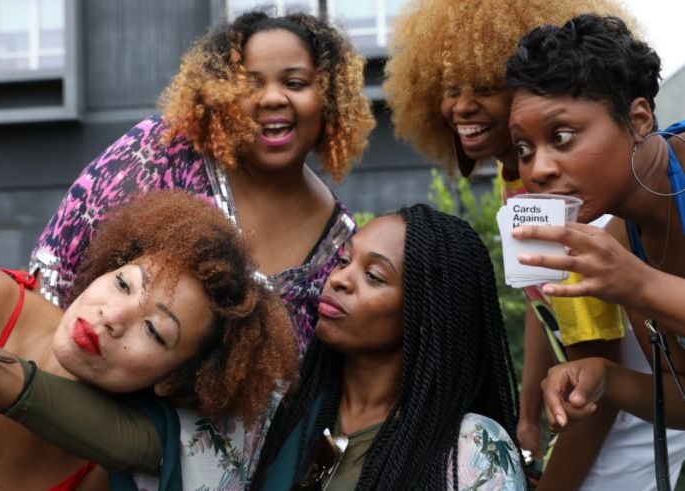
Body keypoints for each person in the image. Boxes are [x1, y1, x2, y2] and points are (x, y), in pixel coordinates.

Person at [28, 10, 375, 488]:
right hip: (53, 423)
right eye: (251, 83)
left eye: (295, 82)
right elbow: (54, 271)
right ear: (221, 94)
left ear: (330, 97)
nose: (273, 97)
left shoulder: (342, 246)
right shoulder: (161, 149)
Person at [380, 1, 680, 489]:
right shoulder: (533, 187)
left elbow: (603, 384)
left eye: (484, 86)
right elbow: (548, 301)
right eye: (449, 87)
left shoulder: (589, 211)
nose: (460, 105)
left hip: (627, 433)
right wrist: (530, 413)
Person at [0, 190, 296, 490]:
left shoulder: (104, 472)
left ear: (172, 383)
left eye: (154, 330)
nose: (113, 317)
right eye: (123, 284)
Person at [503, 13, 685, 487]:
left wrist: (644, 285)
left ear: (639, 119)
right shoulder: (627, 240)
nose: (537, 169)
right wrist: (605, 376)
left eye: (561, 137)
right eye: (524, 148)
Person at [248, 204, 525, 490]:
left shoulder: (475, 448)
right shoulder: (285, 408)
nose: (339, 279)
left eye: (374, 276)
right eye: (344, 261)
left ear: (425, 315)